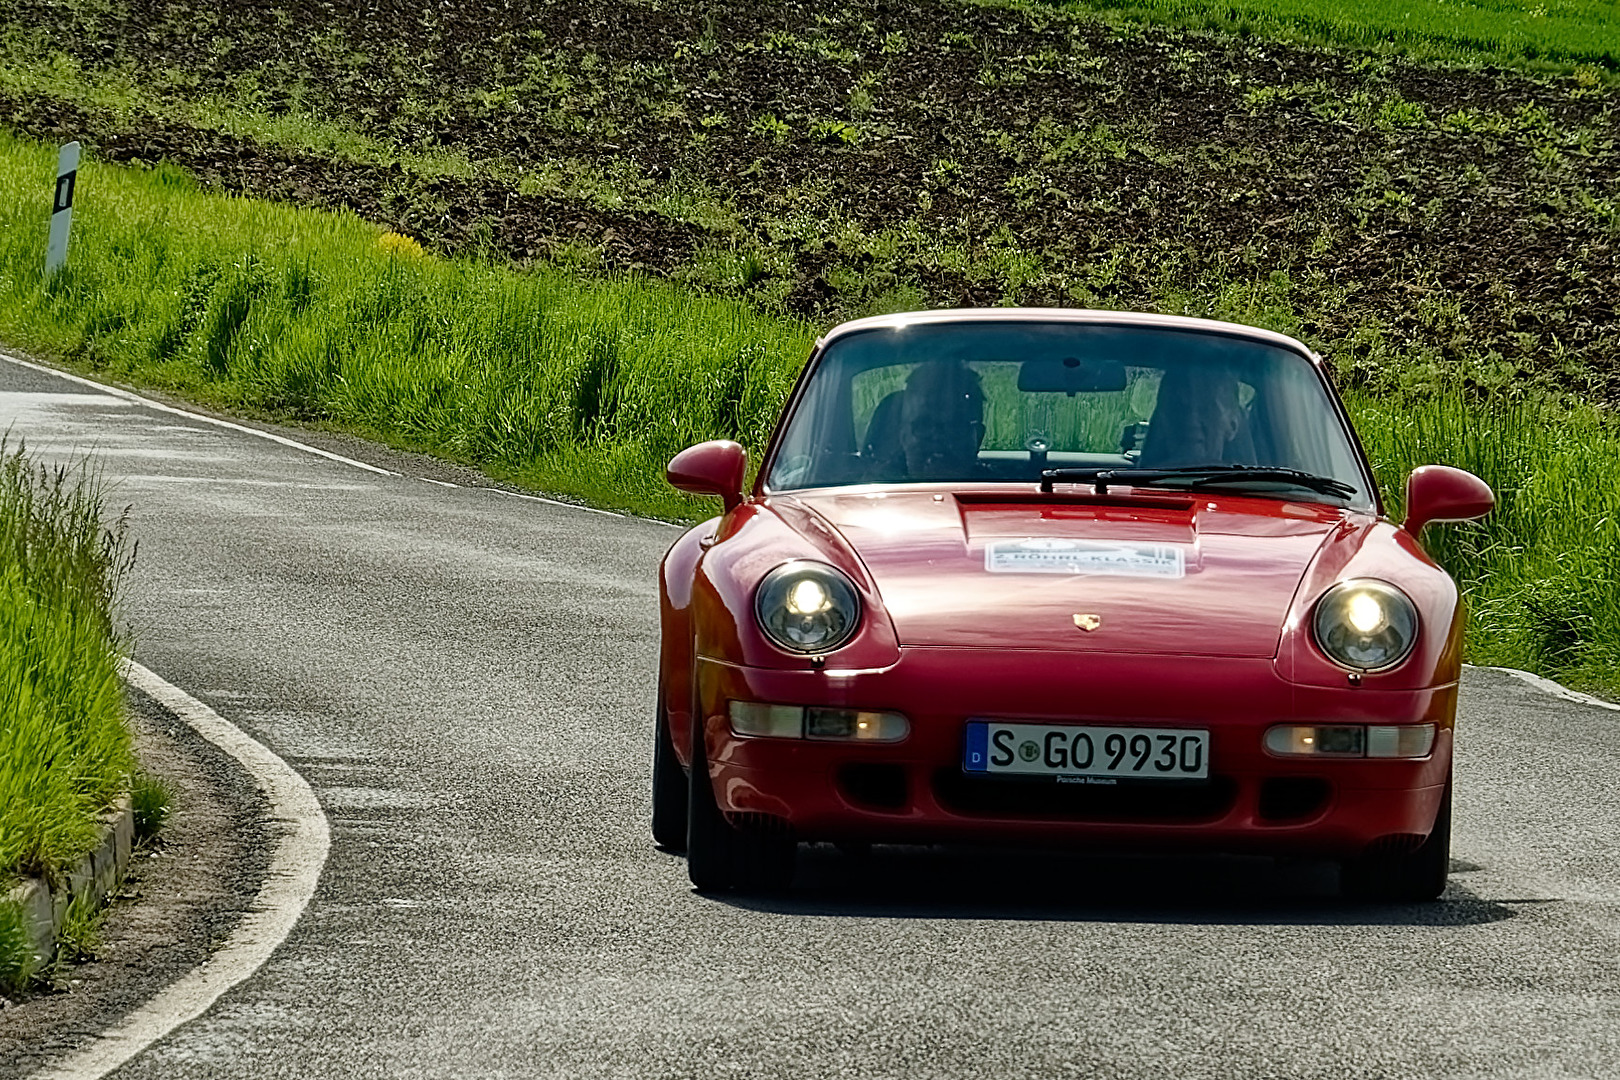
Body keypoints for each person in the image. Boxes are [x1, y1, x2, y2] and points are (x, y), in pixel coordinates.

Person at [1138, 364, 1246, 467]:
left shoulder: (1248, 483)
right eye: (1180, 409)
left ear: (1232, 425)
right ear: (1163, 422)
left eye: (1205, 409)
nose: (1191, 420)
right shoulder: (1130, 480)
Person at [898, 360, 986, 479]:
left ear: (978, 437)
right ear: (903, 436)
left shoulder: (1005, 491)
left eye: (956, 426)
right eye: (925, 425)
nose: (938, 437)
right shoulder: (873, 489)